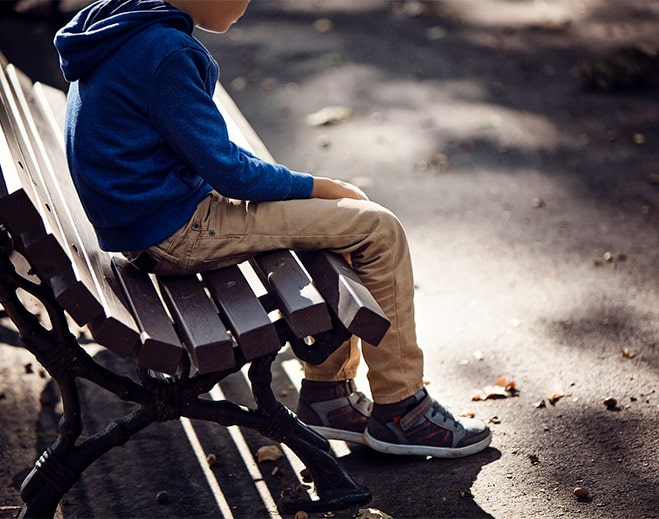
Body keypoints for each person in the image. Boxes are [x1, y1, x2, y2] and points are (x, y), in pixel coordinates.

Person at [54, 0, 492, 458]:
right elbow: (231, 173)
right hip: (180, 231)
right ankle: (404, 410)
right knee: (377, 228)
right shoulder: (165, 50)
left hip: (148, 225)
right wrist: (318, 185)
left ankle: (330, 399)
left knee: (336, 225)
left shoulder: (119, 23)